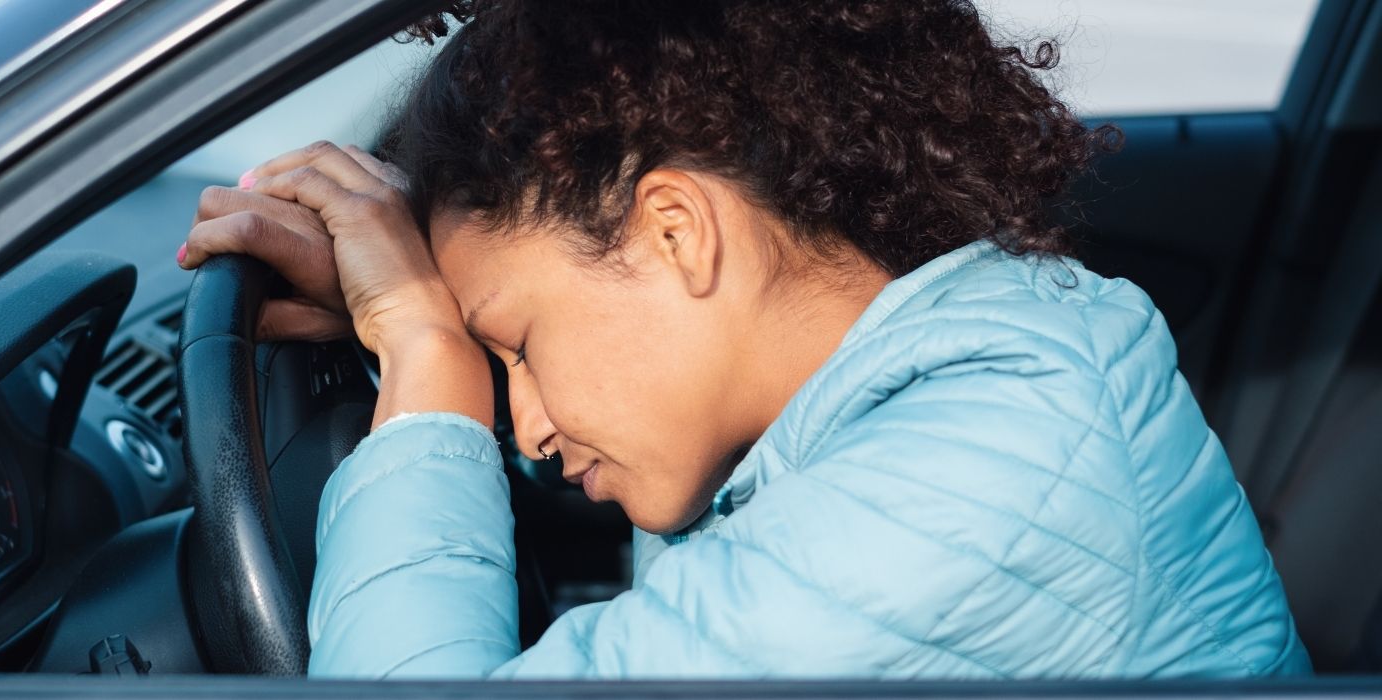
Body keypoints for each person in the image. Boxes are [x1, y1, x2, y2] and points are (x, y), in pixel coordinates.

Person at [177, 0, 1310, 678]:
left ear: (676, 232)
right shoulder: (941, 391)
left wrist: (426, 353)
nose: (520, 426)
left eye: (515, 343)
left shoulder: (976, 481)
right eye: (493, 361)